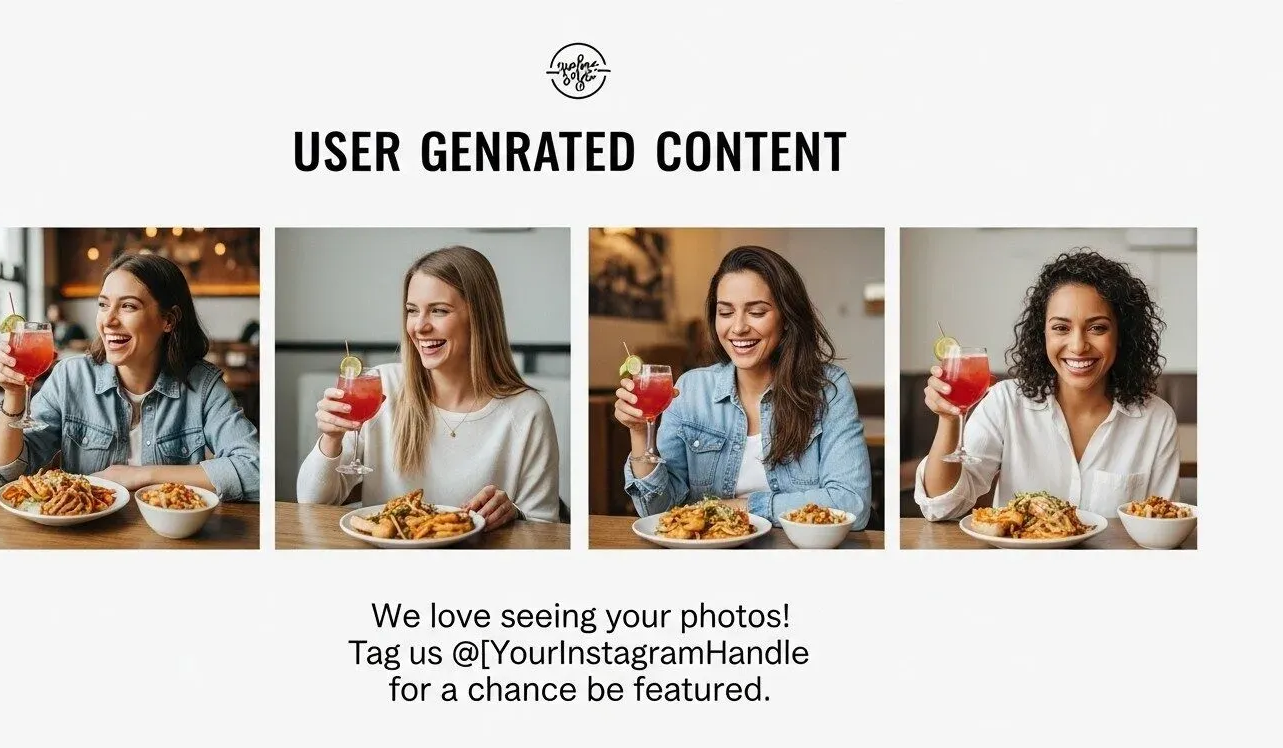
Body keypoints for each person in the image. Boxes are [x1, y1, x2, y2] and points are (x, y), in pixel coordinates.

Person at [297, 245, 561, 528]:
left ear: (479, 318)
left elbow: (545, 529)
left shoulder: (528, 411)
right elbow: (312, 503)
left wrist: (515, 514)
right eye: (412, 311)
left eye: (438, 311)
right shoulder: (381, 388)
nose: (419, 327)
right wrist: (330, 440)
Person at [613, 245, 872, 529]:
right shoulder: (690, 390)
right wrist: (639, 433)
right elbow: (657, 510)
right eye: (725, 312)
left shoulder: (828, 388)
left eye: (756, 312)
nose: (738, 328)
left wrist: (740, 507)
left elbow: (852, 504)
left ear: (786, 318)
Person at [915, 249, 1179, 520]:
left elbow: (1163, 526)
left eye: (1097, 328)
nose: (1077, 346)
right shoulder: (1005, 403)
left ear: (1122, 335)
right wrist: (949, 419)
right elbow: (941, 507)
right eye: (1061, 328)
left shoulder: (1156, 420)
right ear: (1042, 335)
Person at [0, 253, 260, 501]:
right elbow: (4, 473)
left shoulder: (203, 386)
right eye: (103, 305)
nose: (109, 320)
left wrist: (140, 476)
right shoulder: (71, 377)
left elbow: (256, 470)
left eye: (128, 306)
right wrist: (14, 395)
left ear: (169, 320)